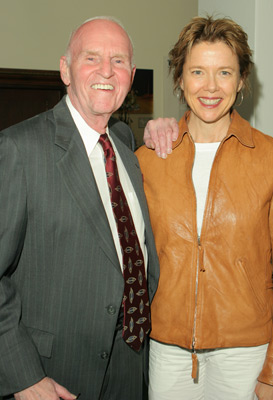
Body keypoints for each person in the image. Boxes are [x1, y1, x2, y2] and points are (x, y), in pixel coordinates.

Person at [0, 17, 160, 400]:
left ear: (132, 74)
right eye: (92, 58)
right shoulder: (19, 149)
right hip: (52, 375)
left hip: (129, 368)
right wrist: (22, 375)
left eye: (119, 61)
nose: (107, 71)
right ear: (65, 69)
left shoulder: (125, 146)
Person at [137, 16, 273, 400]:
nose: (211, 87)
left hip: (246, 353)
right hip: (167, 350)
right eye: (197, 71)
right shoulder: (148, 161)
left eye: (225, 73)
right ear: (180, 79)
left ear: (241, 80)